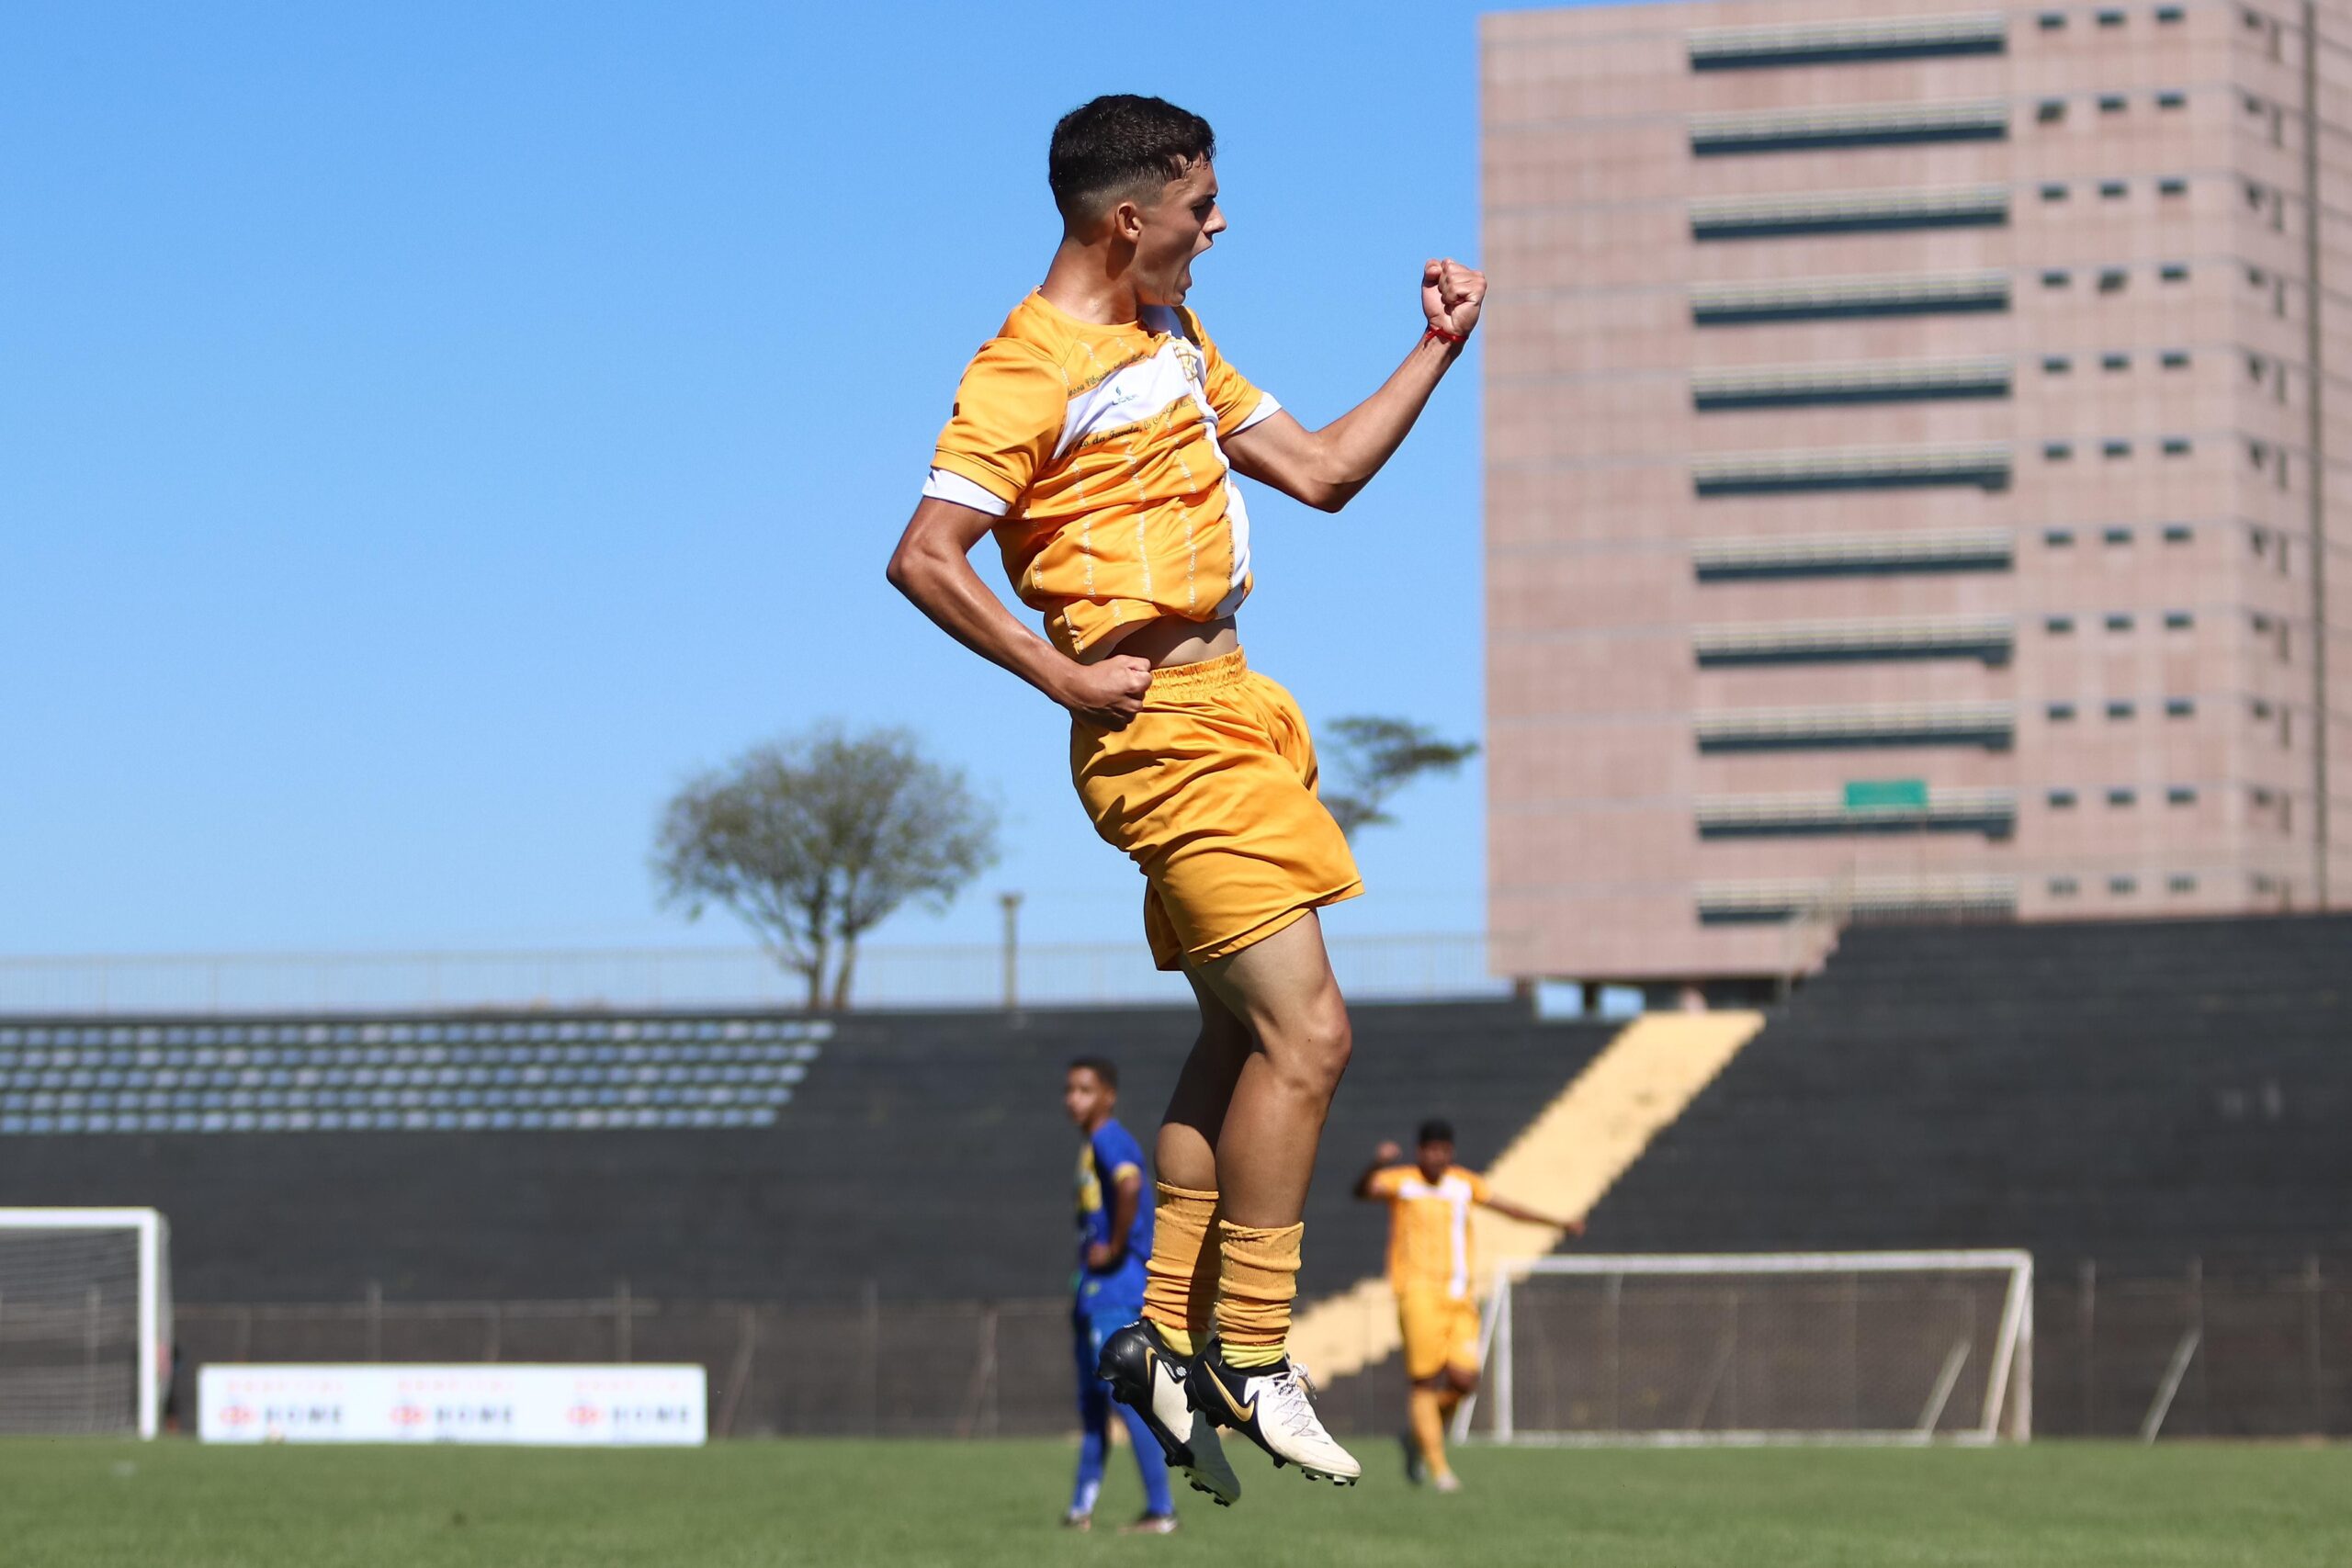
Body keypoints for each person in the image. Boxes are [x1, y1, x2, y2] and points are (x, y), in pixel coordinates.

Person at [888, 92, 1483, 1500]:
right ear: (1128, 219)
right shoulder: (1026, 368)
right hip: (1162, 736)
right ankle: (1255, 1350)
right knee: (1312, 1032)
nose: (1221, 225)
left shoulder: (1171, 337)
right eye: (1203, 206)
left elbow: (1326, 472)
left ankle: (1159, 1334)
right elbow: (925, 552)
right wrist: (1057, 675)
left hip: (1243, 710)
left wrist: (1438, 347)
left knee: (1233, 1044)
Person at [1355, 1119, 1582, 1492]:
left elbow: (1510, 1209)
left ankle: (1417, 1435)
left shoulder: (1463, 1184)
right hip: (1417, 1293)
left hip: (1459, 1296)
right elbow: (1364, 1190)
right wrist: (1376, 1163)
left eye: (1444, 1150)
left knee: (1464, 1381)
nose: (1437, 1157)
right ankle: (1438, 1466)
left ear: (1451, 1152)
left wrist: (1556, 1222)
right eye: (1431, 1150)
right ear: (1420, 1151)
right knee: (1424, 1381)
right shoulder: (1402, 1181)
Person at [1060, 1057, 1179, 1534]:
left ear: (1108, 1095)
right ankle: (1079, 1510)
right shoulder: (1091, 1144)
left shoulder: (1110, 1138)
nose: (1074, 1098)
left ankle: (1161, 1510)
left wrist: (1112, 1247)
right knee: (1093, 1402)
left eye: (1086, 1090)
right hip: (1092, 1291)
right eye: (1070, 1090)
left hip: (1117, 1288)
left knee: (1122, 1397)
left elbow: (1130, 1183)